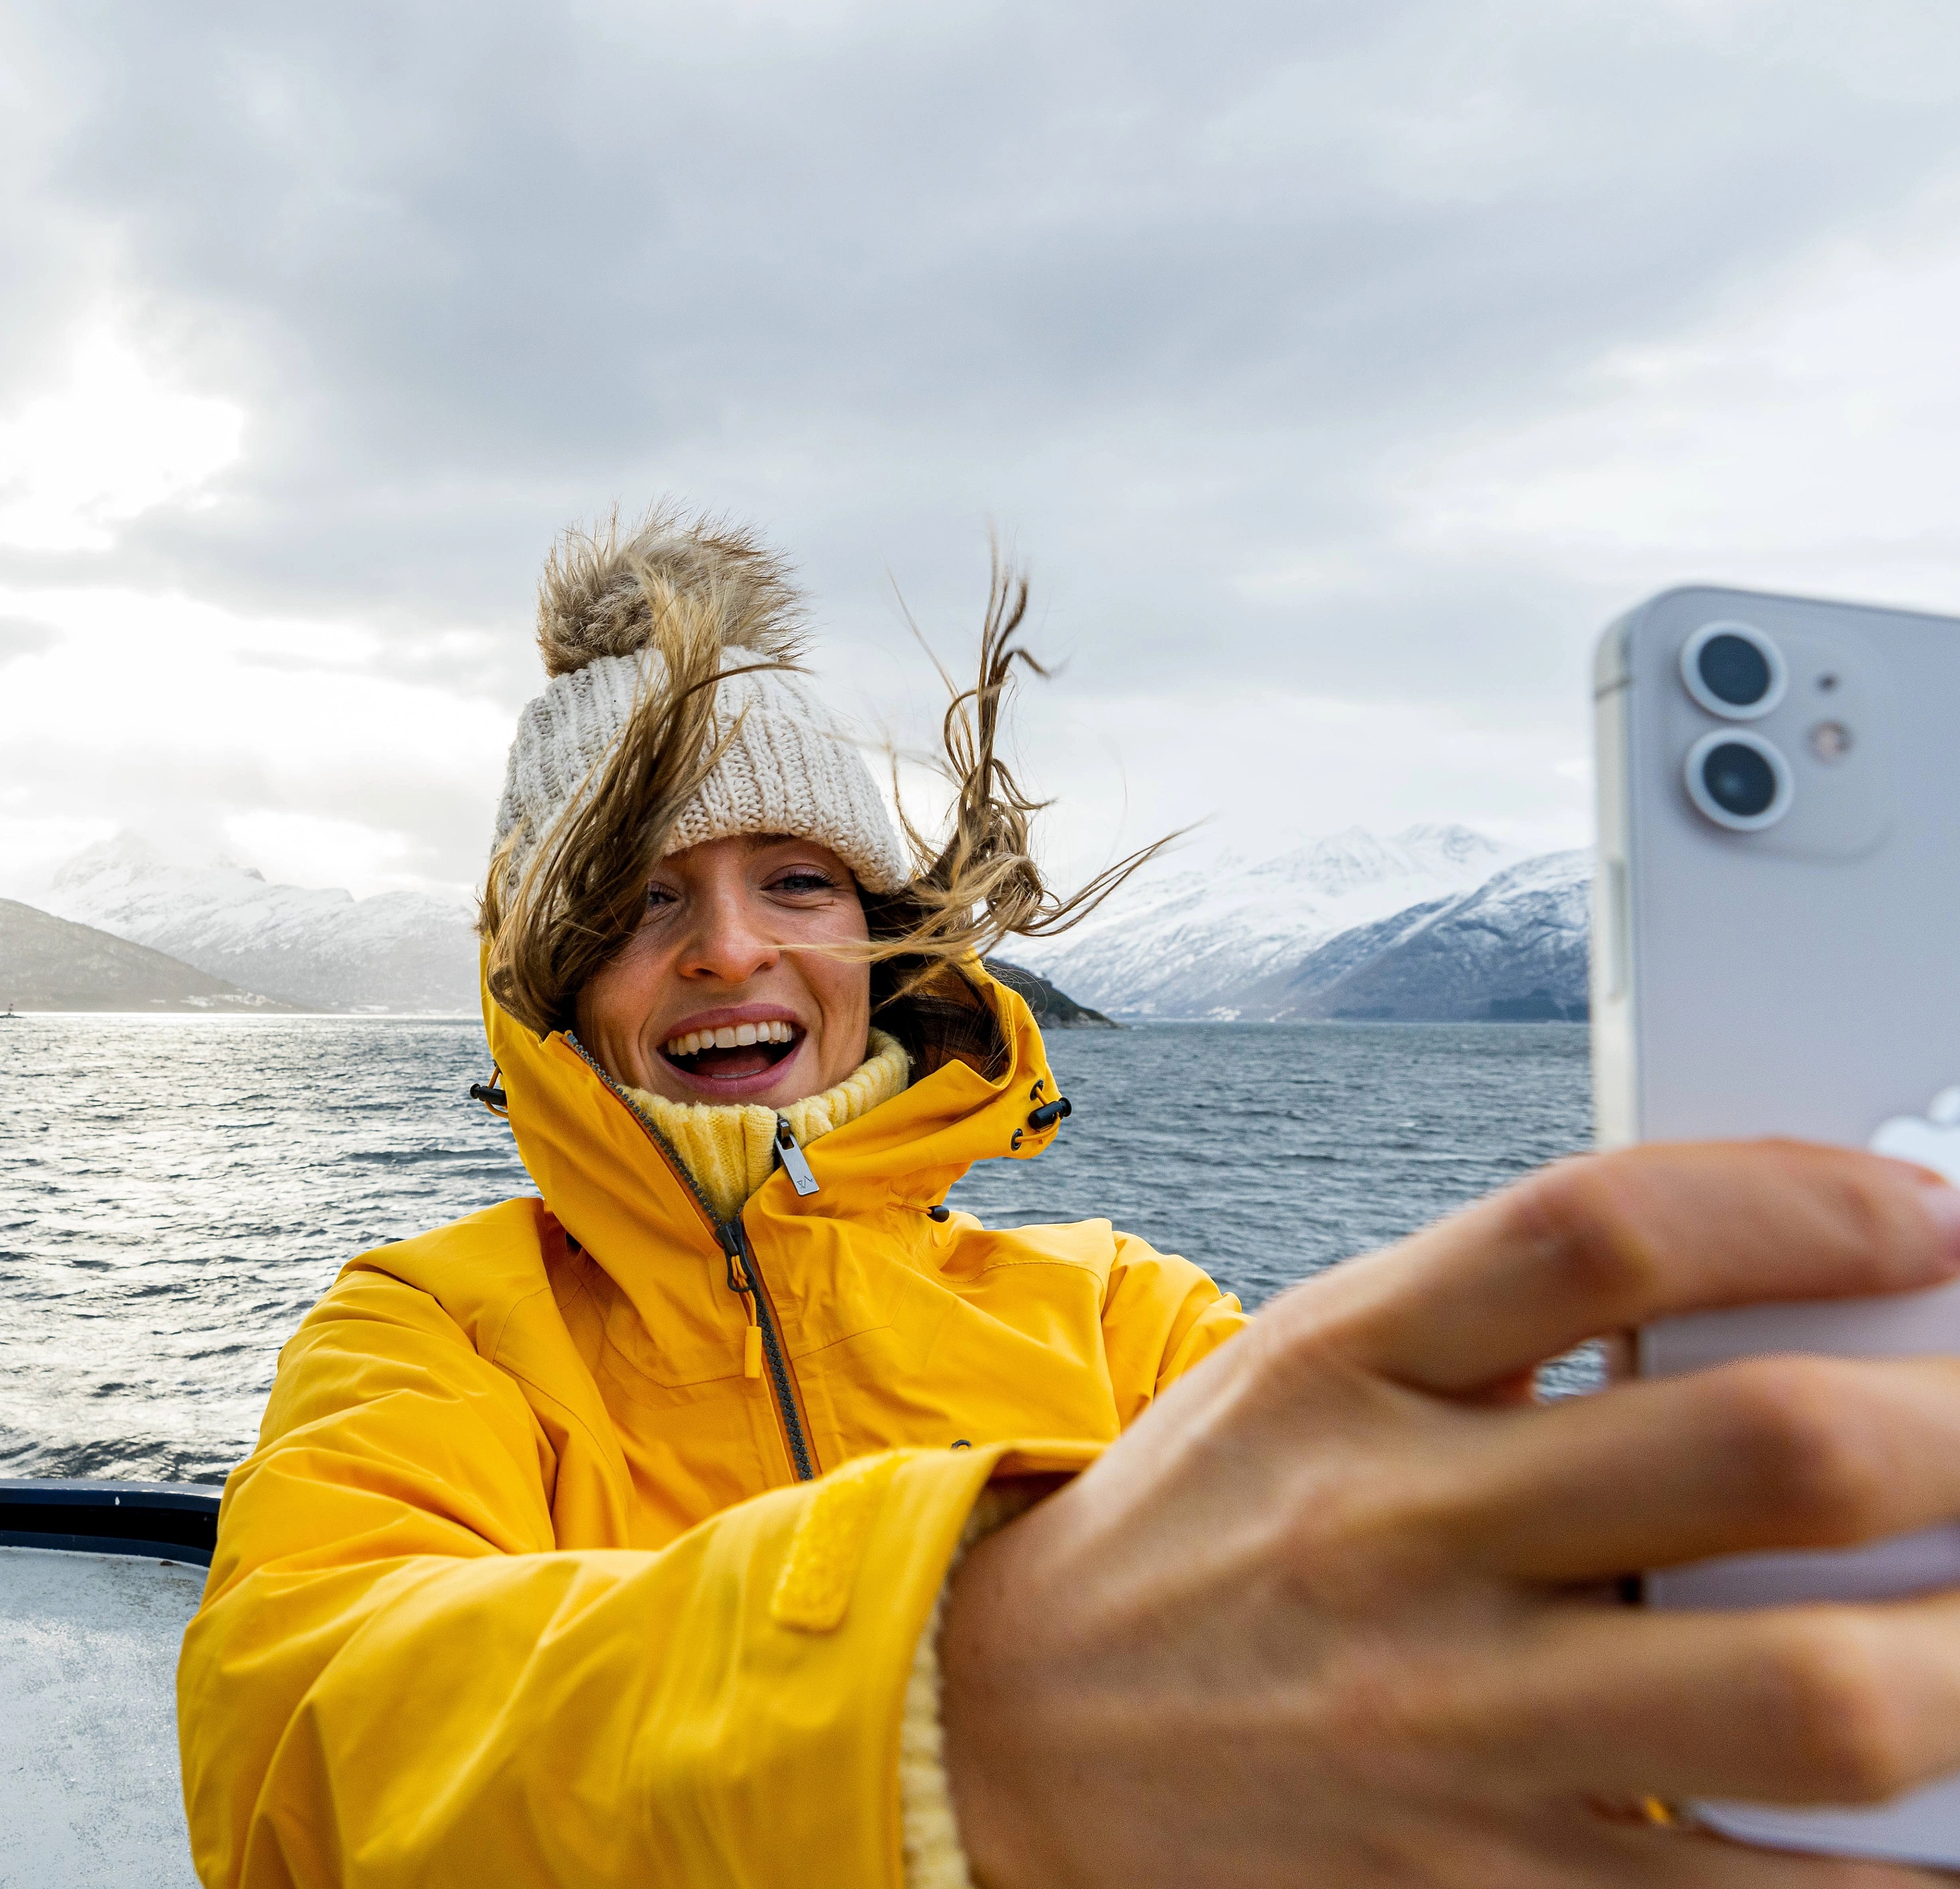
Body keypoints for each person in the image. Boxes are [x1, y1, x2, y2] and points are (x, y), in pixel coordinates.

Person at [180, 507, 1960, 1888]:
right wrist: (960, 1713)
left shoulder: (1125, 1317)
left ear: (877, 937)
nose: (732, 948)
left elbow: (1435, 1690)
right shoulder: (431, 1329)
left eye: (797, 878)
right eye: (644, 902)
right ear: (556, 981)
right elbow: (306, 1735)